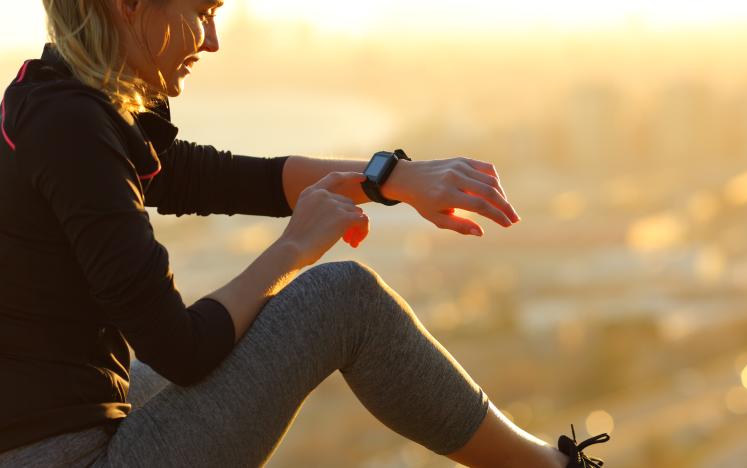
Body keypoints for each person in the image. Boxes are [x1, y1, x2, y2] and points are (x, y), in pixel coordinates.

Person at [0, 0, 609, 466]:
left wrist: (391, 178)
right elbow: (181, 349)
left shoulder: (53, 98)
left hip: (62, 423)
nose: (211, 41)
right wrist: (296, 248)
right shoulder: (75, 132)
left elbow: (220, 177)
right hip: (70, 455)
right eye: (201, 12)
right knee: (342, 301)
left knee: (244, 323)